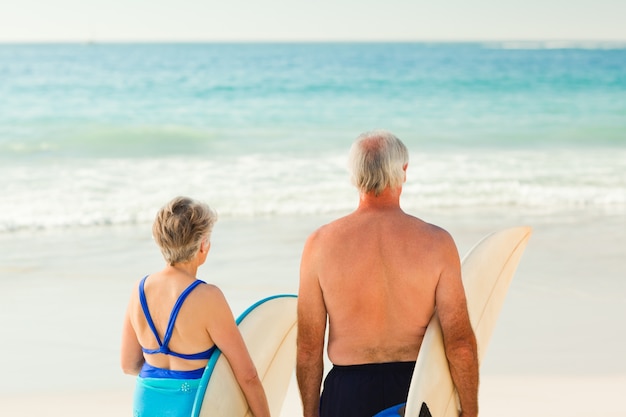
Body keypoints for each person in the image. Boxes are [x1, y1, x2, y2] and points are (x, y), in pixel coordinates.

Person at [296, 130, 479, 417]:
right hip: (414, 391)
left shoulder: (319, 245)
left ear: (353, 176)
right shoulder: (436, 243)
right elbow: (460, 345)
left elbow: (308, 348)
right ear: (404, 171)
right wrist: (470, 411)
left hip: (347, 393)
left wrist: (309, 414)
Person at [120, 196, 270, 417]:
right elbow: (247, 375)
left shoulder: (140, 290)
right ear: (202, 245)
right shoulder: (208, 297)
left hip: (147, 400)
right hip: (193, 403)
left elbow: (128, 365)